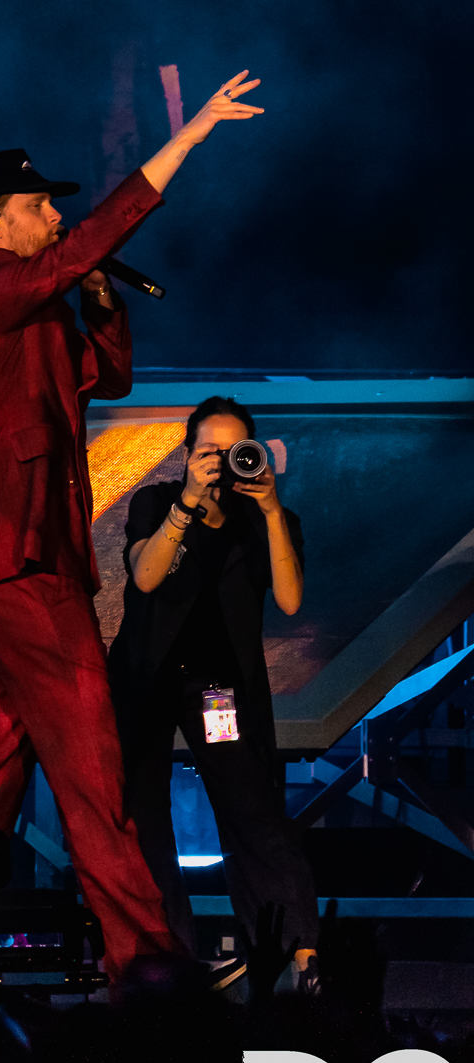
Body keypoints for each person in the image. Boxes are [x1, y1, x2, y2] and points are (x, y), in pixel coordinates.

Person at [0, 70, 264, 981]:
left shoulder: (24, 313)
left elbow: (99, 378)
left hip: (2, 566)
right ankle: (146, 965)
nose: (54, 220)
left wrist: (104, 304)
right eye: (39, 206)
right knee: (93, 769)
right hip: (21, 563)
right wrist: (182, 144)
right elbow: (64, 263)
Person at [108, 395, 318, 974]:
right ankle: (162, 959)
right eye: (209, 451)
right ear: (186, 453)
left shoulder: (267, 520)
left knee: (254, 813)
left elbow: (292, 601)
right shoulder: (156, 502)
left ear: (255, 454)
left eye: (235, 452)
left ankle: (294, 954)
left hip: (217, 689)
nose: (222, 463)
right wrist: (187, 504)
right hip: (145, 679)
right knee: (144, 820)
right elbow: (146, 578)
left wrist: (273, 512)